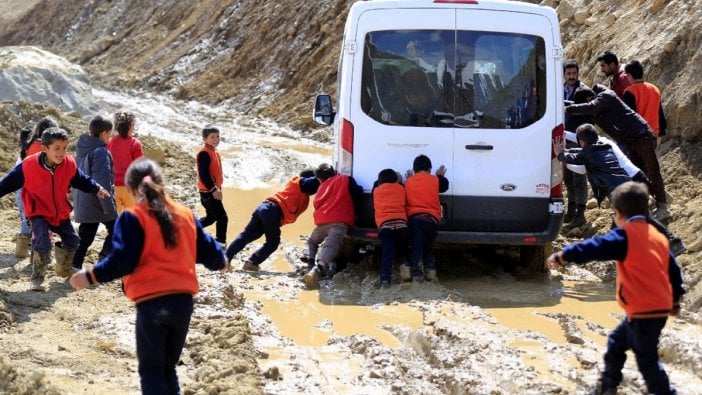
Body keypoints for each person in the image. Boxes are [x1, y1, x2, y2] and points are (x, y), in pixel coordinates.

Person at [69, 158, 226, 395]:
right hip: (183, 303)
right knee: (167, 368)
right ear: (162, 184)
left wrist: (91, 275)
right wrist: (222, 260)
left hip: (152, 304)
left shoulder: (133, 217)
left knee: (152, 370)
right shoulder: (185, 214)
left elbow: (123, 259)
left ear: (132, 190)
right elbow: (213, 256)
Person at [546, 181, 684, 395]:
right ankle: (607, 385)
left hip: (643, 310)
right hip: (656, 307)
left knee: (647, 360)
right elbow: (673, 269)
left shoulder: (625, 235)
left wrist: (564, 255)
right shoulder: (657, 236)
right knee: (617, 342)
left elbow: (594, 247)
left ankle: (665, 393)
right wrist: (675, 300)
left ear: (618, 213)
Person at [0, 127, 110, 291]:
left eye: (64, 148)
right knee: (43, 241)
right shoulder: (28, 166)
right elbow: (7, 183)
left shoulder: (68, 163)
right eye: (57, 149)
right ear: (44, 149)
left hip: (59, 211)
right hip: (38, 211)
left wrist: (96, 188)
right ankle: (37, 278)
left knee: (73, 241)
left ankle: (63, 269)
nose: (61, 153)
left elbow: (81, 179)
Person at [556, 124, 686, 256]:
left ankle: (670, 244)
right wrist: (565, 151)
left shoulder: (588, 153)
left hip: (623, 194)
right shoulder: (605, 147)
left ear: (582, 142)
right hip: (630, 187)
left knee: (645, 220)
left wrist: (559, 153)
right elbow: (579, 153)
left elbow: (572, 157)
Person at [565, 85, 671, 221]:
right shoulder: (598, 105)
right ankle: (660, 195)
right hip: (631, 139)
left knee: (652, 170)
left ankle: (663, 207)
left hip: (641, 135)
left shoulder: (606, 96)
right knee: (639, 173)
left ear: (588, 98)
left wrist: (568, 109)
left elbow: (590, 107)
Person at [226, 169, 320, 271]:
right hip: (273, 211)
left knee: (246, 236)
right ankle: (252, 263)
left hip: (264, 208)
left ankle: (225, 261)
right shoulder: (300, 183)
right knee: (273, 242)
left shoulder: (296, 188)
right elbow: (312, 181)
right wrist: (325, 174)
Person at [303, 163, 363, 289]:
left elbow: (316, 205)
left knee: (311, 241)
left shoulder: (321, 188)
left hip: (322, 221)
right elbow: (358, 193)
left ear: (319, 179)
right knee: (331, 244)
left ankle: (309, 264)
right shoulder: (345, 179)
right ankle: (317, 269)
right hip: (339, 221)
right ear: (334, 172)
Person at [72, 115, 118, 272]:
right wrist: (110, 208)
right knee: (116, 229)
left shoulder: (82, 150)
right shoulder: (101, 152)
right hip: (98, 203)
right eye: (110, 134)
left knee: (86, 238)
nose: (110, 137)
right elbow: (103, 183)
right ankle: (103, 260)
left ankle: (73, 265)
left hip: (83, 202)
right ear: (104, 133)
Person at [401, 154, 449, 283]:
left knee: (417, 246)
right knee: (427, 246)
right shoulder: (435, 180)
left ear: (414, 170)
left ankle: (417, 274)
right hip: (432, 221)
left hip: (416, 220)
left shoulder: (409, 182)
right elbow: (445, 186)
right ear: (429, 169)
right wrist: (440, 176)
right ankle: (431, 272)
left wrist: (410, 179)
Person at [562, 61, 592, 228]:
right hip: (564, 138)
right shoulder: (559, 91)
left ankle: (580, 213)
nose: (572, 76)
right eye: (569, 74)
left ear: (578, 73)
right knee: (567, 175)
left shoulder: (584, 91)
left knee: (579, 175)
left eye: (574, 73)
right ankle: (571, 209)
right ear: (564, 75)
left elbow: (590, 116)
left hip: (579, 139)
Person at [372, 169, 409, 288]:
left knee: (388, 253)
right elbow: (402, 187)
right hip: (402, 226)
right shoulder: (401, 189)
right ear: (396, 180)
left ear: (379, 182)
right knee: (402, 250)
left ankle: (385, 280)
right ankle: (405, 271)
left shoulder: (376, 191)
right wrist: (400, 181)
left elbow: (375, 185)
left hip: (385, 226)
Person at [623, 60, 668, 147]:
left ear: (629, 75)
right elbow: (660, 112)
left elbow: (631, 116)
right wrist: (662, 132)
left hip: (639, 135)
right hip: (654, 133)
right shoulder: (654, 88)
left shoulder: (629, 91)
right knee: (651, 159)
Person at [196, 125, 228, 245]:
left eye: (218, 136)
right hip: (209, 192)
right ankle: (220, 242)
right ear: (204, 139)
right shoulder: (204, 153)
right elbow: (204, 175)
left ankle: (189, 229)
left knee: (211, 218)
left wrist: (217, 189)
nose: (216, 139)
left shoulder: (214, 152)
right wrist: (214, 189)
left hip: (211, 191)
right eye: (212, 137)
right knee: (222, 218)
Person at [108, 111, 144, 213]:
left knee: (115, 222)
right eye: (133, 125)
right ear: (130, 126)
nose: (134, 127)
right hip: (130, 187)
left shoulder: (110, 142)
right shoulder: (135, 143)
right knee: (131, 220)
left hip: (113, 187)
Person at [14, 125, 34, 258]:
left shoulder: (21, 156)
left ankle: (21, 251)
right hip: (27, 194)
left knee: (25, 221)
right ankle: (25, 251)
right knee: (30, 223)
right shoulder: (31, 157)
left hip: (20, 194)